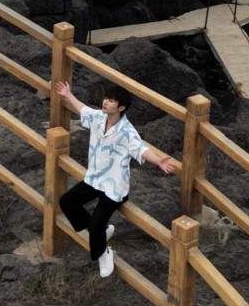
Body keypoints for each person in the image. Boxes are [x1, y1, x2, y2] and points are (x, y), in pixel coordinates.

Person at [55, 80, 176, 278]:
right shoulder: (98, 117)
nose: (105, 103)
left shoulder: (127, 132)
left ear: (121, 108)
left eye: (111, 101)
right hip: (94, 179)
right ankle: (101, 233)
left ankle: (104, 252)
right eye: (106, 98)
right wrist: (68, 94)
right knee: (67, 202)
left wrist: (158, 162)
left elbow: (141, 149)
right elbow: (83, 110)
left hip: (114, 187)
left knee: (95, 226)